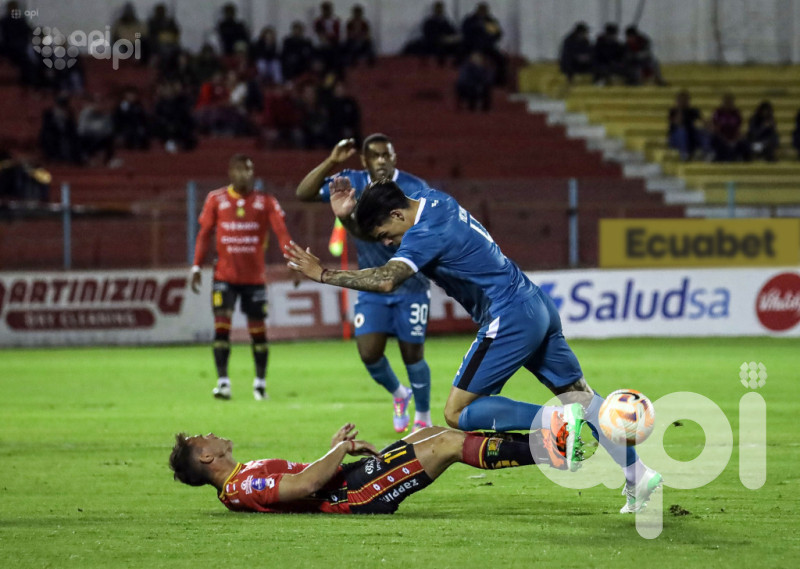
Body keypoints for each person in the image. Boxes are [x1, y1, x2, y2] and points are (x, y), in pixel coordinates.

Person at [285, 180, 664, 514]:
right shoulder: (433, 201)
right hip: (535, 304)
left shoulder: (424, 233)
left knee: (457, 411)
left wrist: (324, 274)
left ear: (398, 215)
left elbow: (387, 280)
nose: (387, 243)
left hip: (509, 314)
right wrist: (350, 219)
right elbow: (388, 244)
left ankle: (554, 422)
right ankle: (638, 474)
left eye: (386, 235)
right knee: (581, 397)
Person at [296, 135, 434, 434]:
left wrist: (347, 219)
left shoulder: (414, 187)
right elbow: (303, 193)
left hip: (410, 282)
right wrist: (332, 162)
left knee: (413, 354)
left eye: (387, 154)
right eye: (375, 156)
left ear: (394, 157)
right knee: (369, 353)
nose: (382, 160)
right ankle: (400, 394)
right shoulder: (351, 180)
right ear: (364, 160)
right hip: (370, 282)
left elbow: (388, 235)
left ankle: (423, 415)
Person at [169, 420, 583, 514]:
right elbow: (307, 483)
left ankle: (551, 440)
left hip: (348, 480)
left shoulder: (243, 476)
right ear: (206, 458)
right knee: (447, 445)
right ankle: (554, 449)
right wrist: (342, 450)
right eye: (199, 439)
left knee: (432, 432)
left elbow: (309, 475)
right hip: (356, 495)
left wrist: (333, 452)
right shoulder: (242, 488)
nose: (208, 434)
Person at [191, 154, 294, 401]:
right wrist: (196, 266)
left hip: (254, 278)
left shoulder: (266, 201)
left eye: (249, 169)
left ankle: (260, 384)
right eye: (240, 170)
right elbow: (204, 234)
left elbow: (281, 233)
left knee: (258, 333)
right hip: (224, 276)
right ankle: (223, 383)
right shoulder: (216, 199)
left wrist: (292, 259)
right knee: (221, 329)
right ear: (231, 172)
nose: (245, 174)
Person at [460, 2, 506, 86]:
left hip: (487, 47)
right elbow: (465, 33)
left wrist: (489, 36)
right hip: (472, 47)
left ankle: (498, 82)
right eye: (481, 10)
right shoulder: (470, 20)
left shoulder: (490, 21)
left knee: (501, 59)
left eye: (485, 10)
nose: (483, 12)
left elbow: (497, 34)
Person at [667, 90, 708, 161]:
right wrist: (680, 109)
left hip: (691, 136)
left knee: (702, 132)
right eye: (681, 100)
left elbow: (704, 122)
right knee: (682, 131)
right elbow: (678, 123)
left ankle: (705, 151)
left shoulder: (693, 111)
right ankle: (684, 153)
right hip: (676, 138)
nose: (684, 102)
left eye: (685, 100)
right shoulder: (673, 111)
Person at [711, 93, 750, 162]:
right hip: (722, 139)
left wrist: (735, 139)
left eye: (730, 102)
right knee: (715, 140)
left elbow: (741, 127)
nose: (728, 104)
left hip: (734, 139)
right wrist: (725, 140)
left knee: (745, 142)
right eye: (726, 102)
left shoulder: (736, 113)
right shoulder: (718, 112)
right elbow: (715, 128)